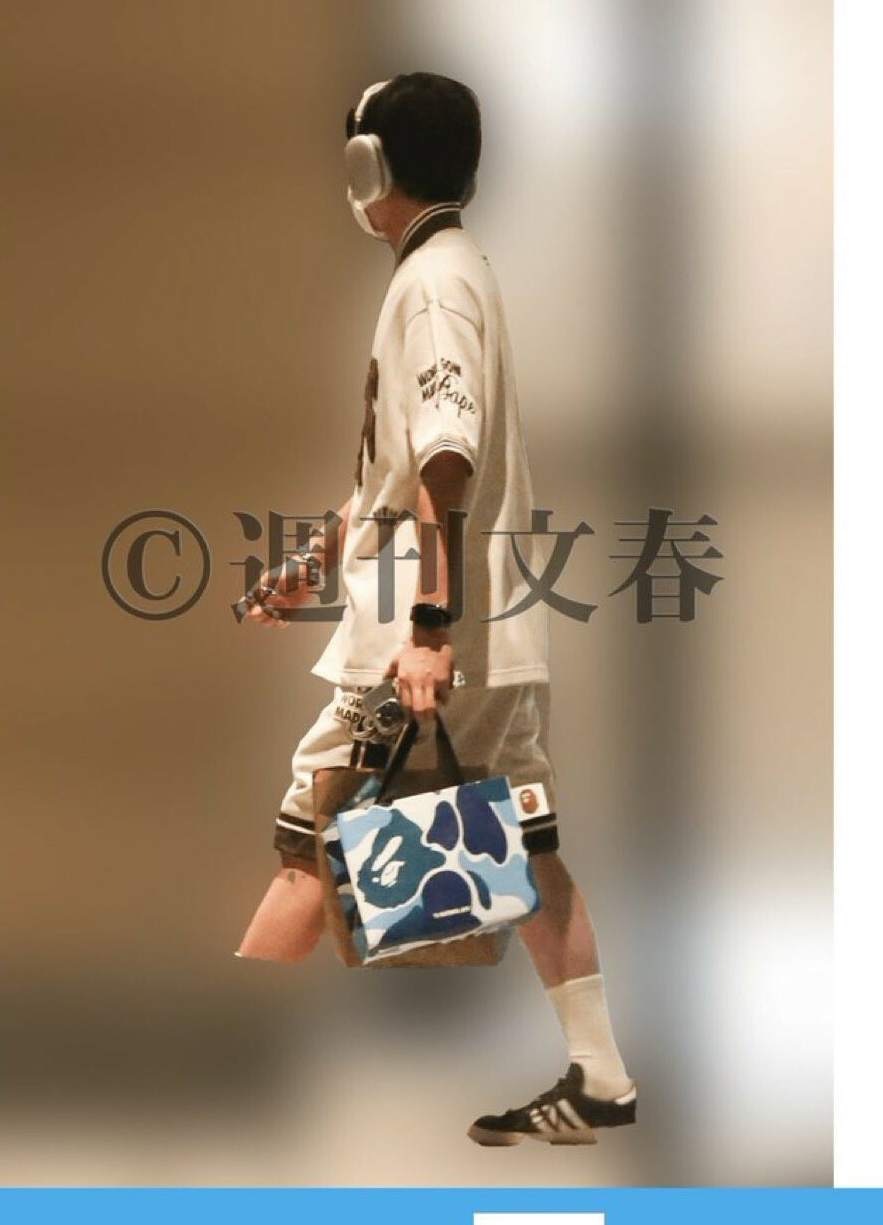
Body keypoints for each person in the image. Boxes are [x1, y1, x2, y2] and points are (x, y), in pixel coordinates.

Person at [236, 72, 636, 1146]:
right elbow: (396, 465)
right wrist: (314, 562)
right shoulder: (452, 271)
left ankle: (216, 1105)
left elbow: (445, 461)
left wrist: (424, 629)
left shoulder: (431, 286)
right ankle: (600, 1075)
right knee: (528, 844)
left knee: (308, 843)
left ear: (370, 164)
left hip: (425, 644)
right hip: (490, 633)